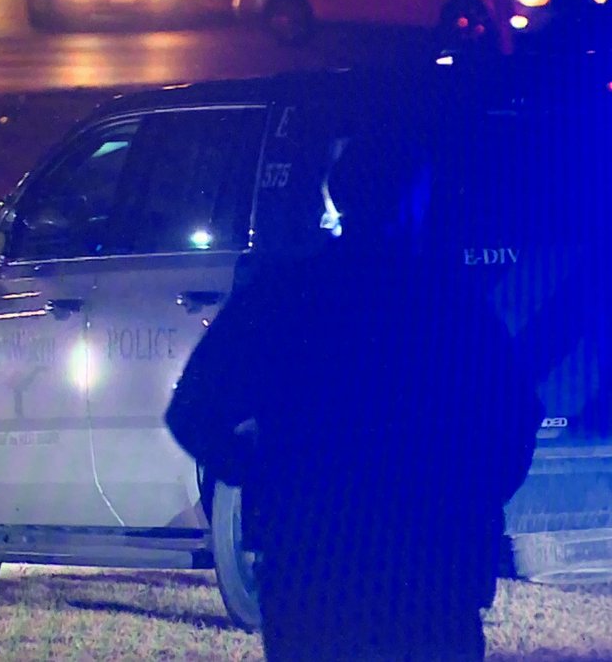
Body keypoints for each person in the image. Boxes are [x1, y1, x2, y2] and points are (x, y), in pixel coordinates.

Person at [167, 121, 543, 661]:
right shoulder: (451, 307)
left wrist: (258, 471)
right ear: (415, 202)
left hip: (314, 567)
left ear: (340, 198)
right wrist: (472, 496)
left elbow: (193, 410)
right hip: (430, 571)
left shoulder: (283, 298)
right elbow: (515, 417)